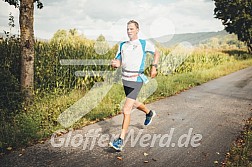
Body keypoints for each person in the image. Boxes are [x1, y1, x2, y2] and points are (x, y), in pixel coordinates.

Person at [109, 20, 160, 151]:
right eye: (128, 29)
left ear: (137, 30)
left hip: (137, 79)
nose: (129, 31)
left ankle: (120, 141)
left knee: (126, 109)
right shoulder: (122, 45)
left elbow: (157, 52)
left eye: (131, 29)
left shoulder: (143, 43)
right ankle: (149, 113)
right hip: (125, 79)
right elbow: (119, 62)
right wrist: (115, 64)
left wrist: (154, 67)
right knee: (133, 103)